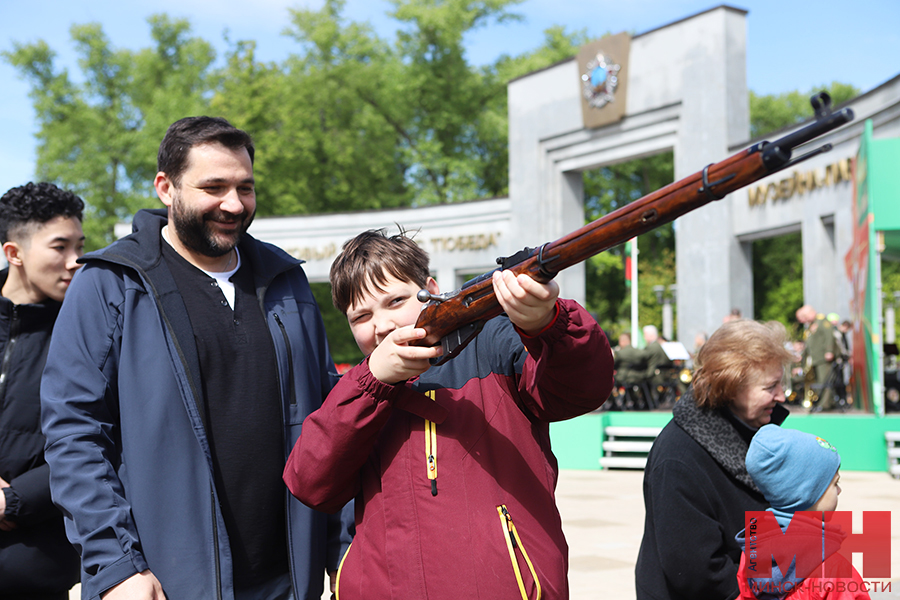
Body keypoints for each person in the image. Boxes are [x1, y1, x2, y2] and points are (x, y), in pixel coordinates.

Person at [40, 117, 349, 600]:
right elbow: (74, 433)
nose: (233, 204)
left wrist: (344, 548)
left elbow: (330, 422)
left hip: (292, 580)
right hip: (165, 582)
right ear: (166, 188)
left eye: (245, 187)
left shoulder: (286, 280)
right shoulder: (109, 283)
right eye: (214, 187)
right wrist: (117, 566)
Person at [283, 228, 614, 599]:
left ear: (431, 288)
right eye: (361, 316)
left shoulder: (495, 341)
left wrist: (546, 323)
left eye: (395, 302)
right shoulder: (356, 391)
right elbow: (309, 483)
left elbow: (580, 391)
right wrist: (372, 385)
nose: (382, 327)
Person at [635, 319, 794, 600]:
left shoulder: (753, 431)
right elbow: (698, 573)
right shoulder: (679, 460)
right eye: (771, 386)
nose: (782, 395)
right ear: (730, 385)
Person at [0, 182, 84, 599]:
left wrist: (14, 501)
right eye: (59, 247)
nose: (75, 261)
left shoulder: (87, 333)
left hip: (36, 568)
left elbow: (101, 440)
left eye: (79, 247)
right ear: (14, 253)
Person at [735, 425, 868, 599]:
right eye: (835, 483)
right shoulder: (834, 571)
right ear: (806, 493)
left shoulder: (753, 550)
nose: (839, 490)